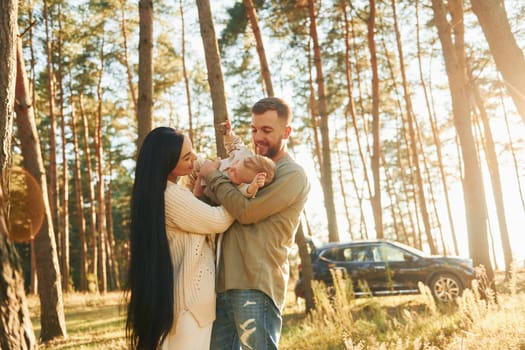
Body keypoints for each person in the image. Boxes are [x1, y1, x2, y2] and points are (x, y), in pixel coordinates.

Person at [200, 97, 310, 350]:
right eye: (254, 129)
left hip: (255, 286)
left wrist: (213, 176)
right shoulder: (248, 164)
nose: (258, 137)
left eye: (267, 130)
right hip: (223, 286)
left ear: (287, 132)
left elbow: (246, 212)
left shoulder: (291, 174)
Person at [125, 127, 234, 350]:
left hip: (180, 303)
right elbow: (218, 220)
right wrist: (237, 187)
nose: (194, 159)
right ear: (166, 163)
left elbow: (191, 216)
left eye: (192, 152)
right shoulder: (170, 195)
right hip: (190, 306)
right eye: (187, 157)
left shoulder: (160, 192)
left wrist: (201, 186)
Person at [192, 119, 276, 204]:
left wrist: (254, 186)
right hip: (208, 166)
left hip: (207, 190)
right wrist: (228, 134)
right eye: (236, 163)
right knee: (195, 160)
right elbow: (235, 144)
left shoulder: (244, 187)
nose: (231, 168)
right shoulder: (245, 154)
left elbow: (248, 192)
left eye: (235, 175)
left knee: (198, 198)